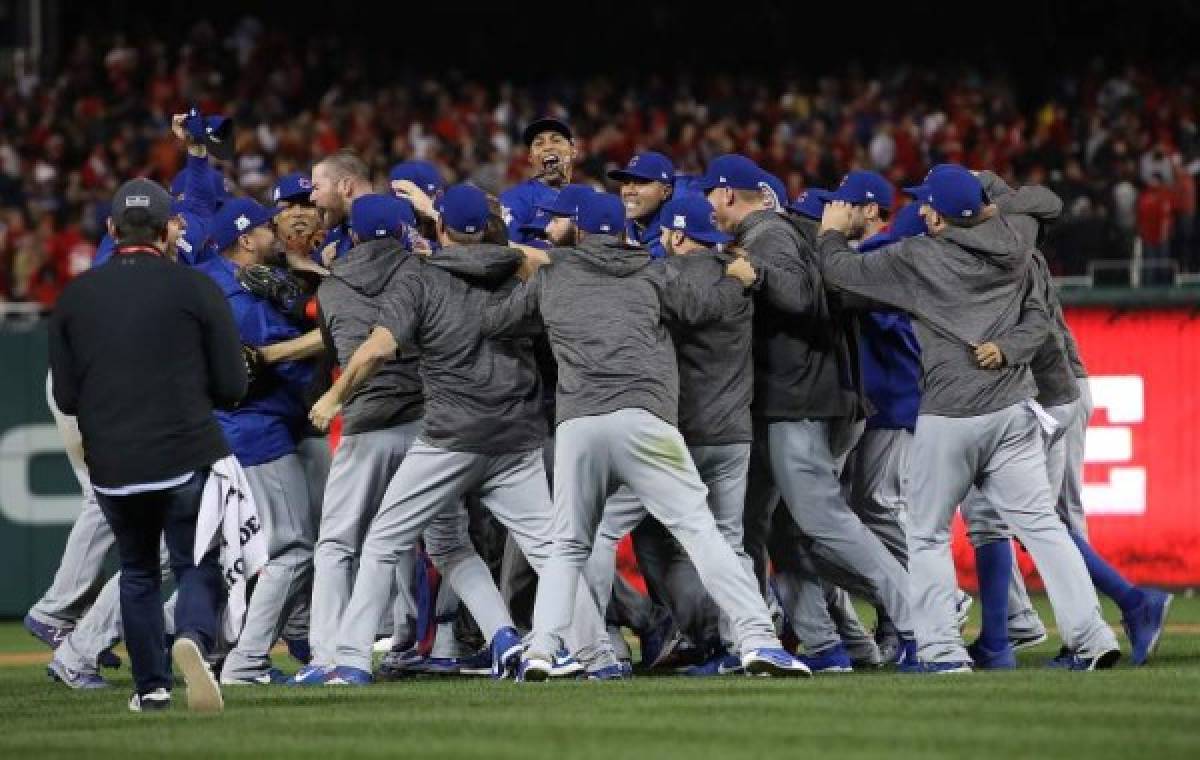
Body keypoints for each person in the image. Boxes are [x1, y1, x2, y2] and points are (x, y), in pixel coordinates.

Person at [482, 190, 811, 680]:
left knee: (568, 545)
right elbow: (705, 307)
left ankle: (544, 650)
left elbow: (497, 323)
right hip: (645, 421)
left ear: (578, 229)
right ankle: (758, 638)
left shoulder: (553, 276)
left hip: (579, 425)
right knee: (701, 531)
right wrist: (739, 281)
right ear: (624, 231)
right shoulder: (652, 273)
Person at [817, 164, 1120, 671]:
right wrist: (1007, 348)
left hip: (951, 414)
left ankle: (940, 651)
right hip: (1013, 411)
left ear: (939, 217)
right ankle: (1092, 636)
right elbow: (1045, 222)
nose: (921, 209)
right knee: (1043, 528)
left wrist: (828, 233)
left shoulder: (919, 257)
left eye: (927, 203)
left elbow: (839, 272)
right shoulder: (1016, 237)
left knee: (928, 533)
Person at [316, 184, 619, 683]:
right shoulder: (518, 271)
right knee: (551, 551)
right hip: (515, 437)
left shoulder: (420, 275)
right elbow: (560, 267)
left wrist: (334, 398)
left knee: (384, 541)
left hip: (450, 438)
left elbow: (375, 349)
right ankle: (601, 657)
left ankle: (349, 660)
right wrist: (504, 247)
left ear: (439, 229)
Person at [703, 154, 916, 669]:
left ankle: (922, 615)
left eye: (711, 194)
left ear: (729, 194)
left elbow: (797, 296)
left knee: (822, 518)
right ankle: (808, 644)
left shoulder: (768, 233)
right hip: (782, 400)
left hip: (797, 400)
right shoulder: (771, 233)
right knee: (769, 529)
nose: (708, 206)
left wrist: (752, 277)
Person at [48, 178, 244, 712]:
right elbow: (233, 386)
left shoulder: (76, 297)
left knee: (135, 573)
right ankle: (195, 638)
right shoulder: (196, 288)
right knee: (196, 563)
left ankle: (151, 688)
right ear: (166, 231)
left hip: (114, 465)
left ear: (112, 230)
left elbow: (66, 397)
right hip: (184, 455)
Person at [289, 193, 429, 685]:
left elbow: (342, 349)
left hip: (366, 421)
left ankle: (328, 656)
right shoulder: (423, 271)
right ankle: (423, 642)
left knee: (337, 544)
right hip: (423, 420)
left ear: (351, 236)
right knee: (441, 541)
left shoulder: (333, 289)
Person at [195, 198, 318, 685]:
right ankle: (245, 663)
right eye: (266, 227)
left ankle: (88, 646)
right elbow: (287, 362)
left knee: (218, 554)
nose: (276, 232)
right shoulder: (242, 303)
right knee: (294, 549)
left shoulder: (207, 280)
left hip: (220, 434)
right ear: (245, 240)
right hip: (257, 432)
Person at [500, 118, 576, 244]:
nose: (547, 147)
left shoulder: (585, 197)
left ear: (573, 149)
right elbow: (505, 253)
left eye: (556, 140)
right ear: (530, 157)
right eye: (539, 144)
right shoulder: (516, 198)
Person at [310, 149, 374, 267]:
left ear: (346, 186)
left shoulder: (394, 226)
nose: (311, 197)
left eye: (316, 188)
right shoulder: (337, 233)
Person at [609, 151, 675, 258]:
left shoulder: (680, 238)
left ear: (665, 192)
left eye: (641, 182)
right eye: (626, 182)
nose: (629, 191)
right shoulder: (617, 228)